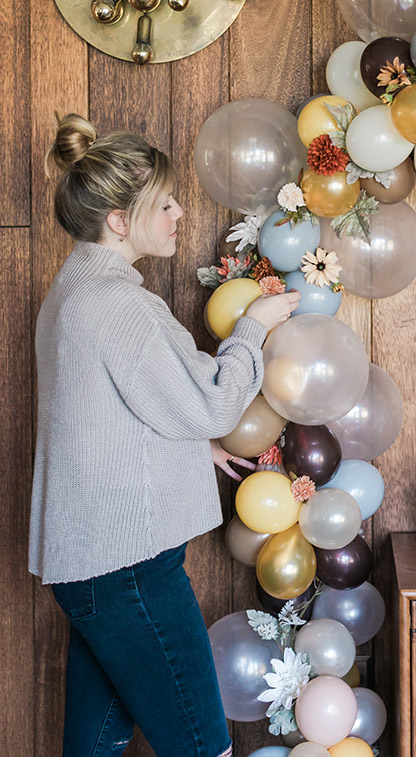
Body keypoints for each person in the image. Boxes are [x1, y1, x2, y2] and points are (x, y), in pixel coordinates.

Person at [28, 113, 300, 757]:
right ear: (119, 220)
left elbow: (93, 415)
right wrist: (253, 328)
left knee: (94, 744)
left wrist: (181, 444)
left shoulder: (72, 290)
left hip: (92, 569)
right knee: (203, 745)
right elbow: (212, 406)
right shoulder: (121, 305)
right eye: (166, 201)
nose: (181, 212)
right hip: (128, 570)